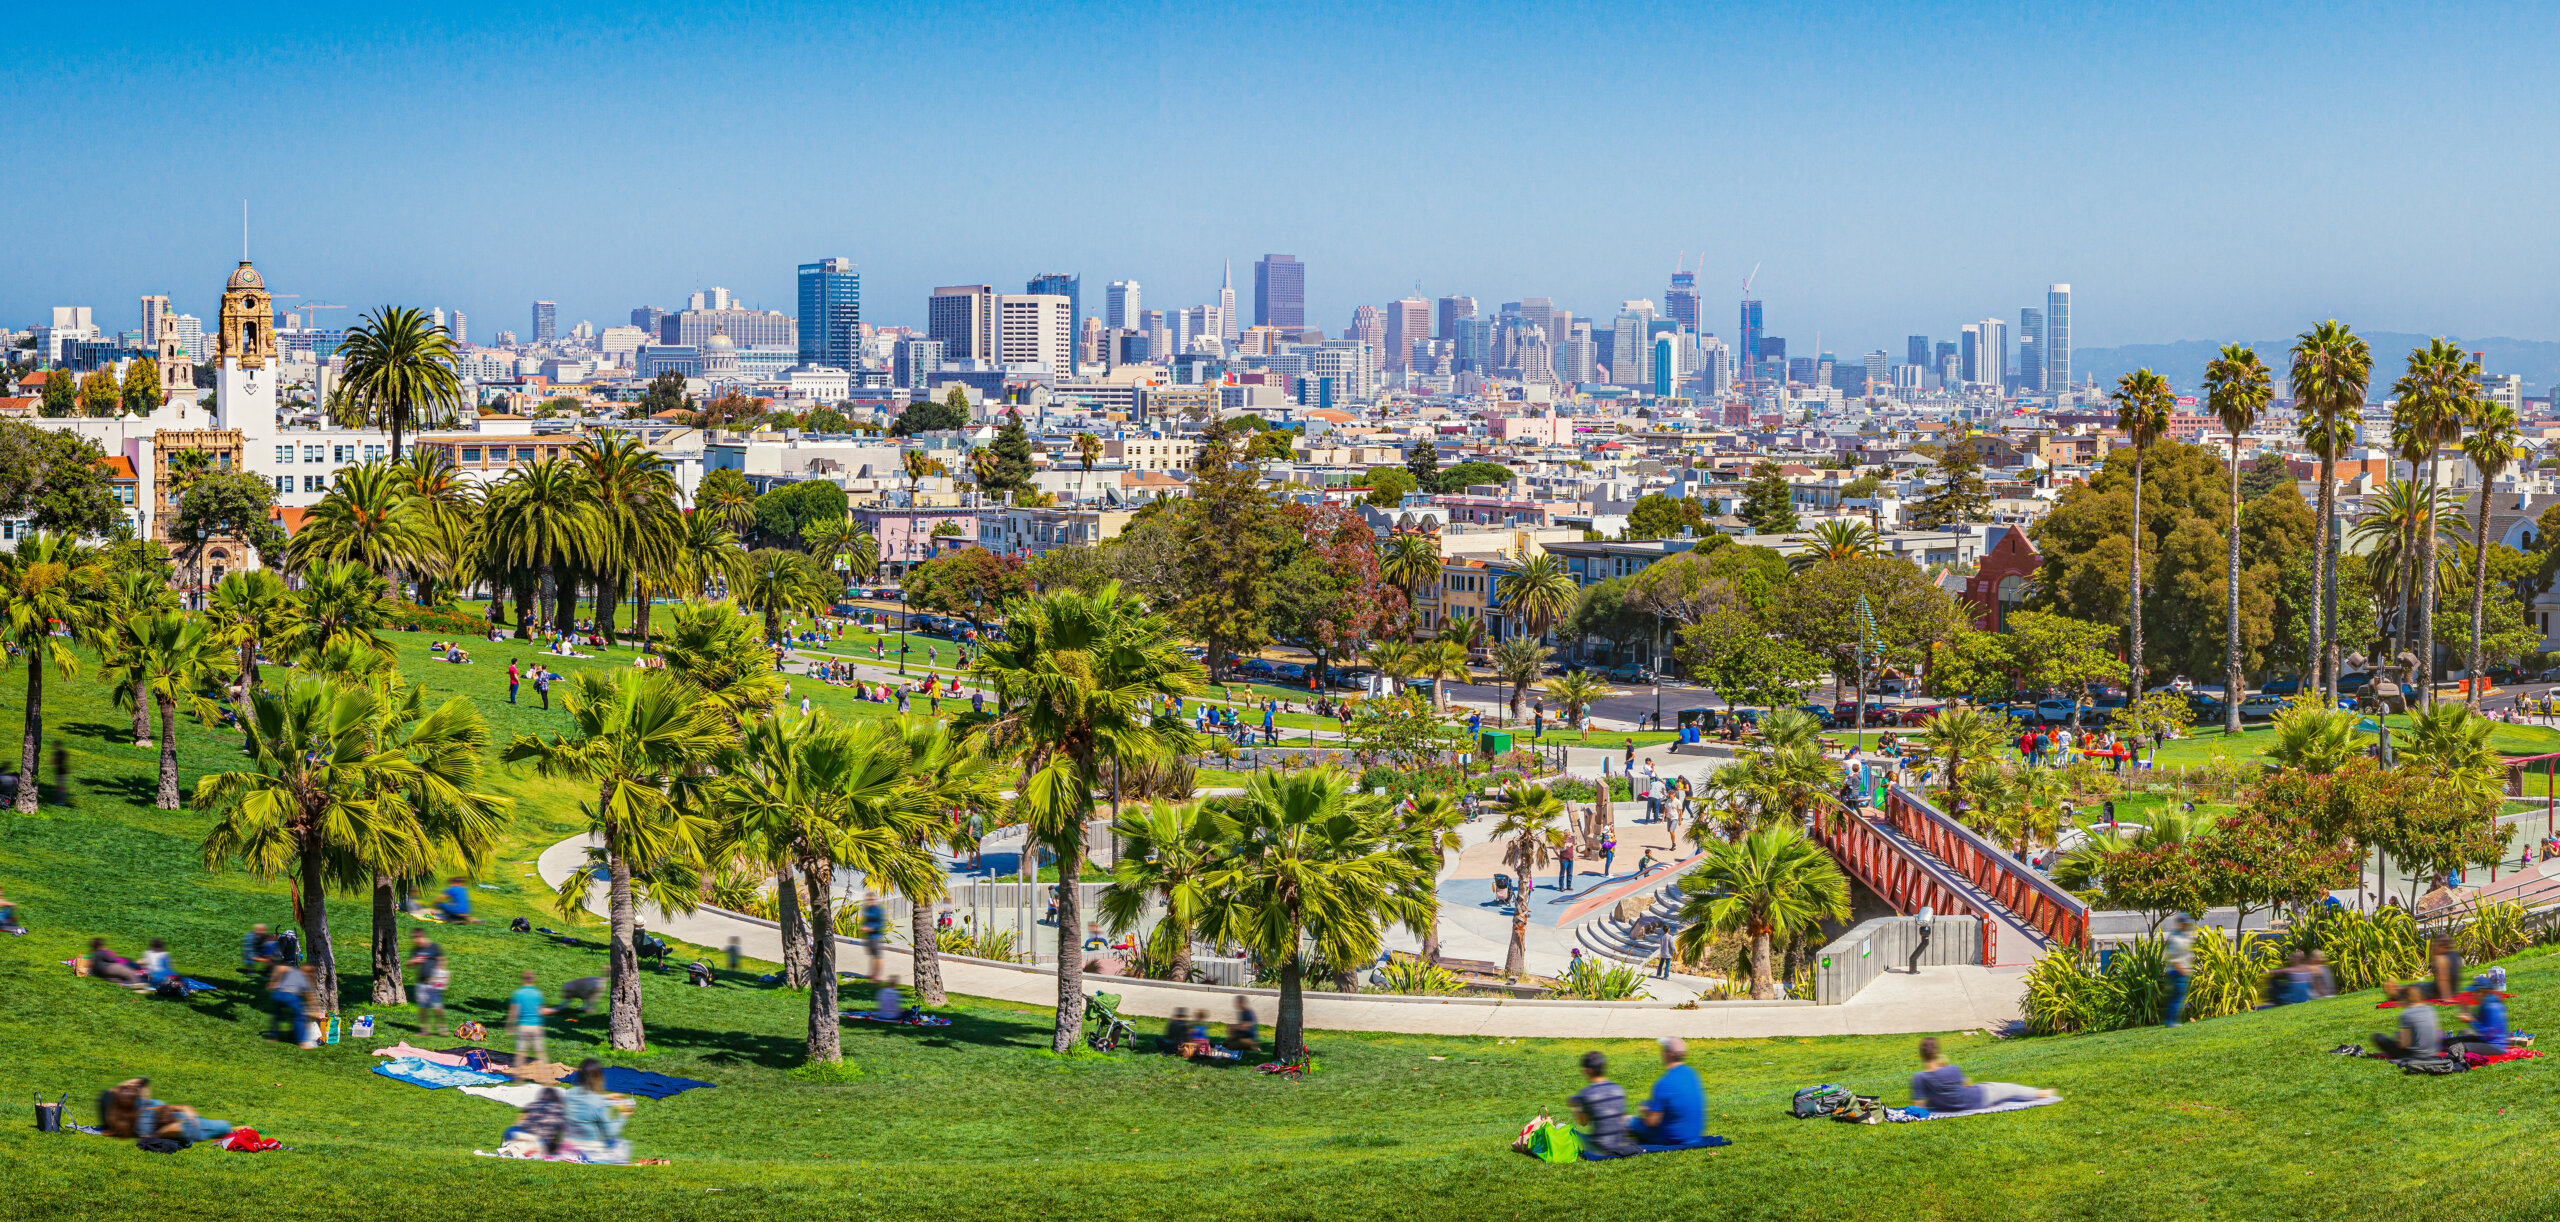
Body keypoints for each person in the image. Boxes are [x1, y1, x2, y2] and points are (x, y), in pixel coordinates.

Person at [1911, 1036, 2056, 1112]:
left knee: (1993, 1086)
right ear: (1936, 1052)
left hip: (1962, 1101)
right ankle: (2042, 1094)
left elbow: (1919, 1106)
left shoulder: (1919, 1078)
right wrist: (1945, 1066)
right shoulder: (1951, 1069)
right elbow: (1967, 1085)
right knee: (2010, 1088)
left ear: (1921, 1055)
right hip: (1979, 1097)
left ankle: (2040, 1093)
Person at [1629, 1037, 1705, 1147]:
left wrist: (1645, 1110)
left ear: (1668, 1054)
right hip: (1693, 1136)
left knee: (1627, 1121)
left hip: (1672, 1138)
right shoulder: (1692, 1074)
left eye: (1663, 1050)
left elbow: (1652, 1122)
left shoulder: (1664, 1083)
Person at [558, 1058, 633, 1164]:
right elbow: (610, 1132)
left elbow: (585, 1102)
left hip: (570, 1145)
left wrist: (606, 1098)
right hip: (590, 1148)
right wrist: (623, 1116)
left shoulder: (570, 1093)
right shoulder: (598, 1102)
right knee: (620, 1144)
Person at [1570, 1050, 1641, 1157]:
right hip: (1619, 1143)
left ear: (1588, 1071)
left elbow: (1583, 1122)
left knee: (1562, 1127)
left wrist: (1575, 1107)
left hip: (1599, 1147)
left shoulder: (1587, 1093)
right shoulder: (1618, 1089)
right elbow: (1622, 1120)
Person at [2371, 983, 2443, 1059]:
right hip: (2433, 1052)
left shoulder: (2407, 1014)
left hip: (2414, 1056)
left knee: (2378, 1037)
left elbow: (2404, 1044)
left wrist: (2399, 1036)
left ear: (2406, 999)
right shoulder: (2430, 1010)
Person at [2449, 974, 2509, 1056]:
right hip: (2486, 1041)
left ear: (2483, 992)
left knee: (2459, 1047)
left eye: (2475, 992)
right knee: (2455, 1041)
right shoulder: (2486, 1003)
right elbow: (2481, 1021)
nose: (2473, 994)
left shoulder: (2491, 1007)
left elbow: (2488, 1034)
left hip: (2496, 1046)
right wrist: (2467, 1012)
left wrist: (2471, 1020)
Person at [406, 930, 448, 1036]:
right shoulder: (416, 950)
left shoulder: (434, 947)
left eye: (418, 937)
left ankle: (442, 1028)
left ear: (423, 936)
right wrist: (415, 961)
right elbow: (409, 965)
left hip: (434, 982)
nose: (416, 940)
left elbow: (442, 960)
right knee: (422, 1008)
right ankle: (425, 1030)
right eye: (414, 938)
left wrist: (440, 973)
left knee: (438, 1008)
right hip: (421, 983)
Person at [268, 959, 314, 1048]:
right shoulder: (305, 980)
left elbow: (280, 968)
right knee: (299, 1017)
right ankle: (303, 1042)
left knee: (277, 1015)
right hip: (290, 997)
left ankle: (273, 1036)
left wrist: (274, 981)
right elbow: (309, 997)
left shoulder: (292, 970)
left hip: (278, 994)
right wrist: (311, 1009)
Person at [509, 970, 552, 1063]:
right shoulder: (537, 993)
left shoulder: (519, 993)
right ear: (534, 979)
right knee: (540, 1053)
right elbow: (541, 1010)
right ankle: (544, 1076)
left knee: (520, 1053)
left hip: (523, 1027)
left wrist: (510, 1026)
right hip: (536, 1026)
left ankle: (519, 1077)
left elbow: (514, 1012)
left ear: (522, 979)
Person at [2162, 912, 2196, 1027]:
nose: (2187, 926)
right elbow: (2174, 958)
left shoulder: (2183, 936)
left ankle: (2170, 1020)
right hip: (2177, 972)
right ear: (2181, 924)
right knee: (2176, 997)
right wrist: (2183, 970)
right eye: (2185, 924)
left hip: (2181, 971)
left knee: (2176, 997)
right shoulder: (2175, 937)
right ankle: (2171, 1021)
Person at [859, 892, 888, 979]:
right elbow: (866, 920)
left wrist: (870, 928)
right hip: (869, 937)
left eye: (871, 899)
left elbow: (881, 924)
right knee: (872, 956)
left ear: (874, 900)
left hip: (876, 936)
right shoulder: (867, 909)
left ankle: (877, 975)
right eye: (867, 900)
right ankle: (872, 973)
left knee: (878, 956)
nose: (869, 901)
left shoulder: (878, 910)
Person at [1906, 908, 1934, 975]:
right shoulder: (1926, 924)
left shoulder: (1922, 923)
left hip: (1924, 931)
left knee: (1924, 943)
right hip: (1925, 931)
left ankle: (1913, 970)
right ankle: (1913, 970)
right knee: (1924, 943)